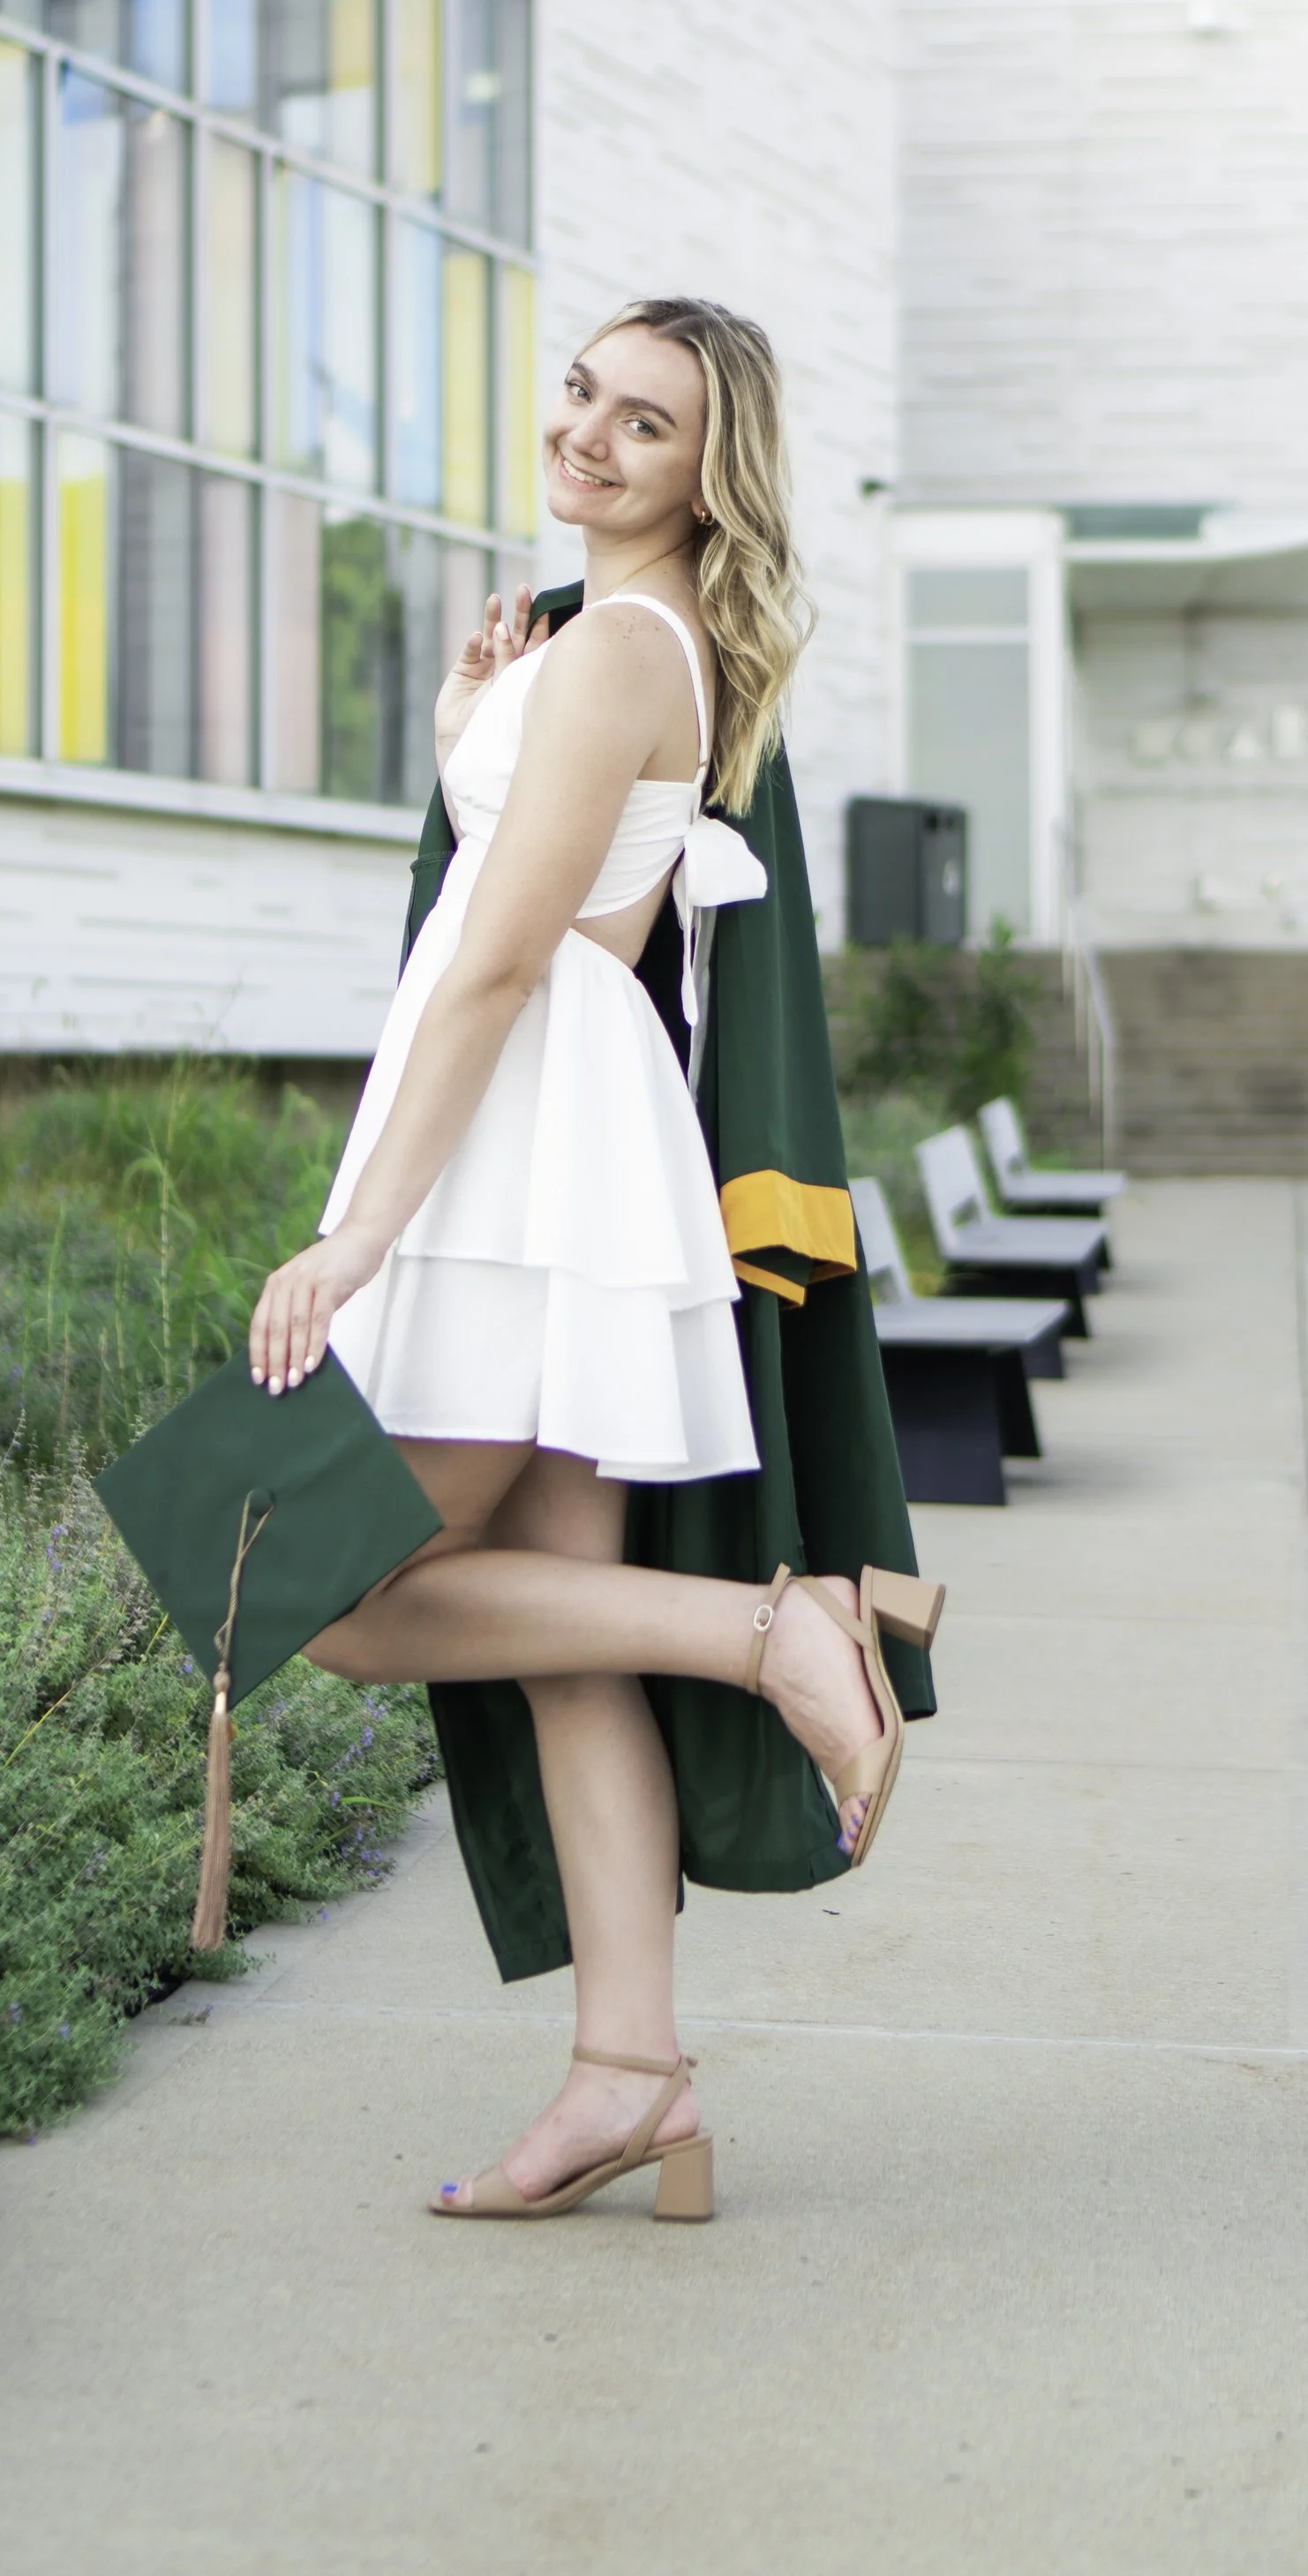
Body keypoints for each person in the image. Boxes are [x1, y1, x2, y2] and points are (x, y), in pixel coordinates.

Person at [249, 297, 942, 2224]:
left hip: (518, 1152)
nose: (589, 436)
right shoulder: (603, 648)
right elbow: (550, 894)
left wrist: (356, 1227)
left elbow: (498, 957)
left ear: (704, 476)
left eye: (644, 423)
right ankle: (628, 2076)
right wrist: (481, 734)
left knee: (331, 1592)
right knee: (559, 1643)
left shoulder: (627, 645)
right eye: (581, 393)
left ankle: (768, 1633)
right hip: (561, 1137)